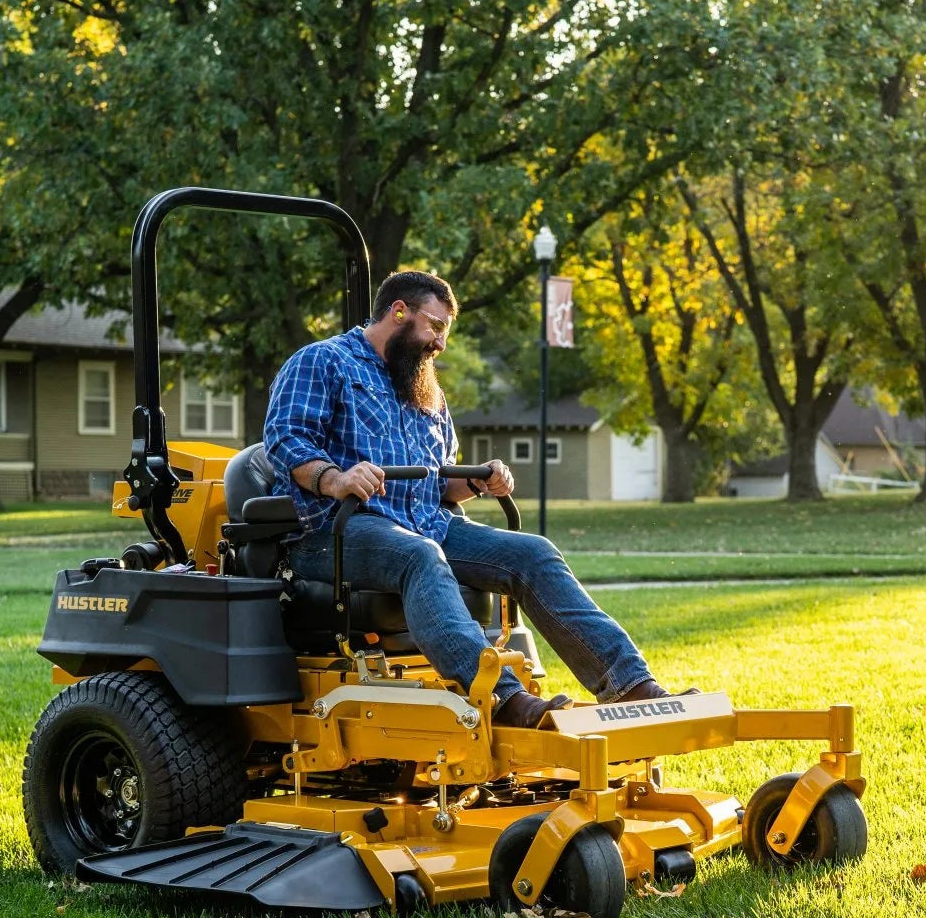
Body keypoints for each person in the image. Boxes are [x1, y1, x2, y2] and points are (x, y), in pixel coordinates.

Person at [264, 270, 676, 728]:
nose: (440, 343)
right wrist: (336, 478)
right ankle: (504, 702)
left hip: (427, 525)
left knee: (533, 553)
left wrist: (480, 481)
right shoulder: (322, 362)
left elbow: (440, 482)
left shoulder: (425, 387)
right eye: (436, 327)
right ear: (399, 311)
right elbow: (286, 440)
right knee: (418, 555)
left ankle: (632, 686)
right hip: (334, 532)